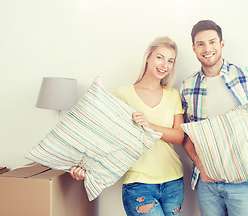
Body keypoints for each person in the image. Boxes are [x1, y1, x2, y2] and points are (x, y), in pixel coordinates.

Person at [70, 36, 185, 216]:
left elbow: (179, 136)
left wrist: (149, 125)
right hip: (138, 183)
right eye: (160, 57)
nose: (165, 65)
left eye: (170, 60)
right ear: (148, 57)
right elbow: (106, 137)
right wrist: (84, 166)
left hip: (173, 181)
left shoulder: (173, 95)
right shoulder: (122, 94)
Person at [180, 20, 248, 216]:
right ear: (193, 48)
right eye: (200, 44)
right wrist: (202, 167)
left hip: (242, 179)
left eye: (212, 42)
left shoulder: (246, 75)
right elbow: (185, 135)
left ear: (222, 44)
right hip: (206, 181)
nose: (207, 49)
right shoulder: (187, 86)